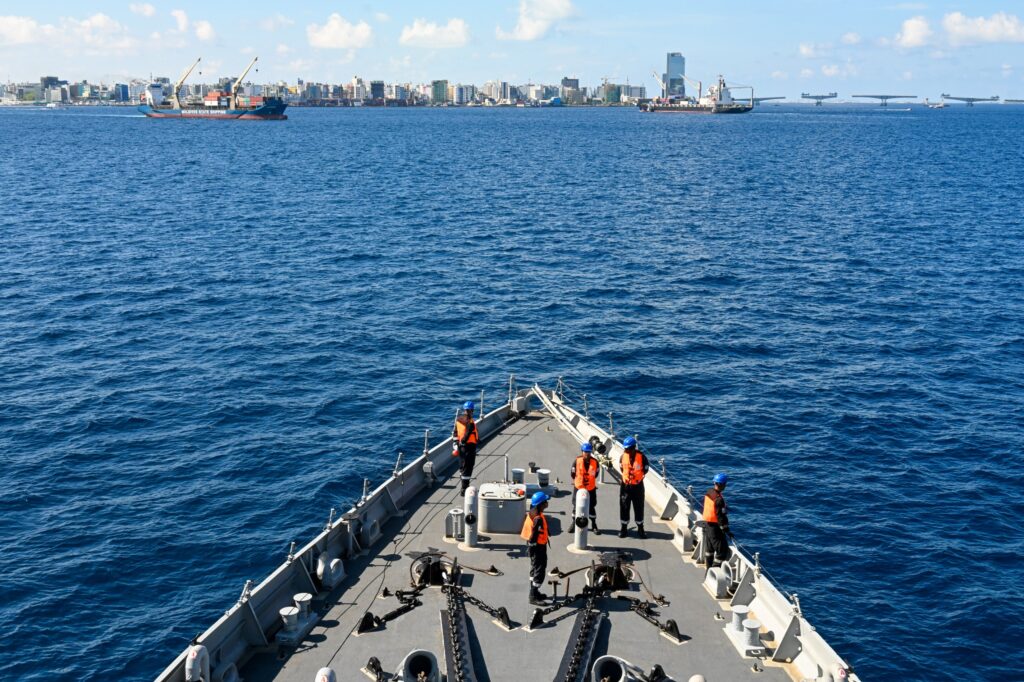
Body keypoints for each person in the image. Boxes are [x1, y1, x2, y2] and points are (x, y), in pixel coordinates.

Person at [521, 491, 551, 605]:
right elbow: (534, 536)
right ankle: (533, 596)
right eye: (545, 502)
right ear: (540, 504)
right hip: (538, 547)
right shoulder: (537, 519)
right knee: (539, 570)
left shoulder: (533, 513)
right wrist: (534, 549)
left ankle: (535, 591)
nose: (547, 503)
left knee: (534, 568)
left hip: (535, 547)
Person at [619, 436, 649, 538]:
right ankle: (624, 528)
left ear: (633, 447)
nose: (626, 450)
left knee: (639, 507)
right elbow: (622, 468)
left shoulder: (642, 457)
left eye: (628, 449)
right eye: (625, 449)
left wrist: (637, 478)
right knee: (624, 506)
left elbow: (645, 469)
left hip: (637, 487)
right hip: (626, 486)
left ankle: (640, 528)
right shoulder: (623, 456)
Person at [702, 473, 732, 567]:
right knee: (722, 552)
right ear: (723, 485)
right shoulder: (719, 500)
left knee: (709, 550)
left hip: (707, 524)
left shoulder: (709, 492)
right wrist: (726, 530)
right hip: (715, 528)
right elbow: (720, 517)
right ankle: (713, 571)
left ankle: (708, 569)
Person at [571, 442, 600, 534]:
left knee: (591, 507)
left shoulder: (595, 463)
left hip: (590, 489)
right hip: (578, 488)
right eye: (585, 452)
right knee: (576, 506)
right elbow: (572, 474)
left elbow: (596, 474)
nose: (587, 454)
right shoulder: (576, 461)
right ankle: (573, 523)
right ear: (582, 452)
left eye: (589, 452)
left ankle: (594, 525)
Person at [452, 400, 478, 494]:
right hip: (469, 447)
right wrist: (463, 441)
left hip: (460, 447)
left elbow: (455, 432)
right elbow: (467, 433)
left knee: (462, 466)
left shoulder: (458, 420)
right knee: (468, 466)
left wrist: (455, 443)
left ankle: (463, 485)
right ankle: (464, 489)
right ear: (471, 410)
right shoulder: (470, 421)